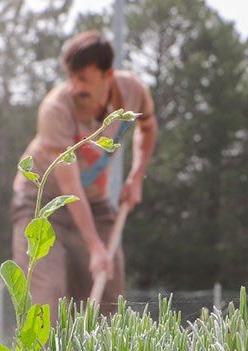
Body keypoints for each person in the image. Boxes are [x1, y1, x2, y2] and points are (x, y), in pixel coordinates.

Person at [10, 31, 158, 324]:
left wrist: (136, 176)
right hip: (42, 202)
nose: (76, 87)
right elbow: (69, 185)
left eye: (85, 79)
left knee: (108, 289)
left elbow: (148, 127)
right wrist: (94, 246)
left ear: (108, 75)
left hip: (94, 201)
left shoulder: (131, 91)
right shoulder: (56, 109)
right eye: (72, 77)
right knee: (47, 295)